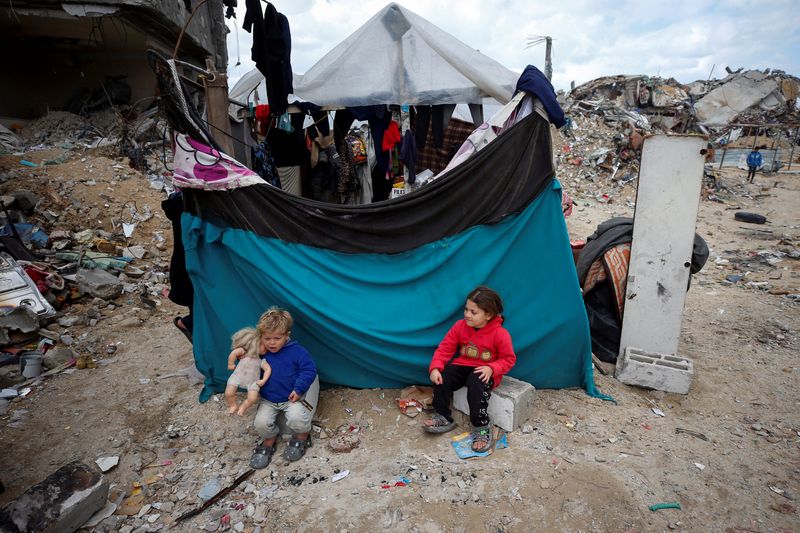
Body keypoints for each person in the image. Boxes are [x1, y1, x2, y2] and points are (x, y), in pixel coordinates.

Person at [423, 286, 517, 452]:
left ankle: (481, 426)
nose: (467, 315)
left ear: (488, 315)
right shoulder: (460, 326)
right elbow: (445, 348)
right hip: (463, 364)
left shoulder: (500, 334)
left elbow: (508, 359)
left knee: (476, 383)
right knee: (444, 375)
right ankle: (443, 416)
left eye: (474, 312)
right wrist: (435, 368)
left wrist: (492, 368)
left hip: (484, 370)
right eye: (466, 309)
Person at [249, 307, 317, 469]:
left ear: (287, 336)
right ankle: (270, 440)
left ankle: (301, 437)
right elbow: (248, 368)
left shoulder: (297, 352)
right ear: (261, 337)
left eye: (277, 338)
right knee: (261, 423)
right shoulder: (261, 353)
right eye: (267, 338)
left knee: (297, 418)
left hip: (290, 397)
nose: (272, 343)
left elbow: (309, 370)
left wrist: (299, 389)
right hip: (268, 398)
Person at [225, 327, 272, 416]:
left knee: (252, 398)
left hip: (253, 381)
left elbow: (268, 369)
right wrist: (230, 364)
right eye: (263, 345)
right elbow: (233, 353)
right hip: (237, 376)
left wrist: (264, 380)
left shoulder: (261, 361)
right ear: (255, 343)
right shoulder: (243, 352)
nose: (267, 347)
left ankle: (243, 407)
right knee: (228, 393)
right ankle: (233, 405)